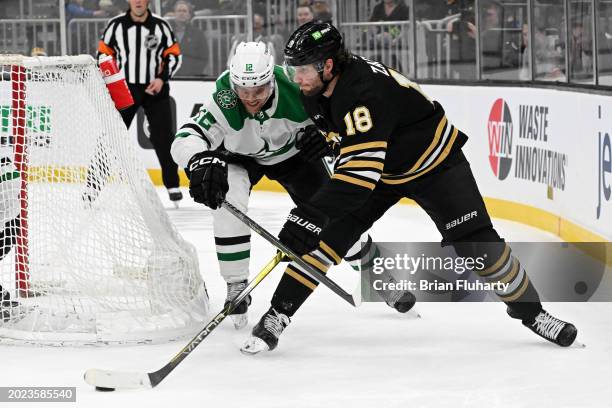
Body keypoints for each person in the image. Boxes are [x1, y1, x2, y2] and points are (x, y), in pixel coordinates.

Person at [241, 21, 579, 354]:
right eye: (293, 68)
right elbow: (352, 141)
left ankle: (533, 313)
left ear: (327, 65)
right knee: (326, 239)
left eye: (302, 69)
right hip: (385, 170)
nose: (296, 77)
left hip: (435, 166)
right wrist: (328, 143)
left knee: (480, 247)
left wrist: (310, 212)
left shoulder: (361, 93)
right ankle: (277, 315)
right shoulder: (315, 89)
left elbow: (359, 178)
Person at [171, 42, 414, 329]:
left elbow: (344, 125)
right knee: (228, 200)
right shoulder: (224, 98)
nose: (250, 98)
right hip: (239, 157)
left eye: (259, 90)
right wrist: (200, 159)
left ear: (272, 79)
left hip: (294, 157)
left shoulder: (297, 88)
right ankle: (236, 285)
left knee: (333, 215)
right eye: (243, 91)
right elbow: (186, 137)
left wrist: (327, 139)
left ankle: (376, 276)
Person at [95, 0, 183, 205]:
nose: (138, 1)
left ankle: (172, 184)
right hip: (125, 89)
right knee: (112, 134)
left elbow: (173, 55)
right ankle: (93, 186)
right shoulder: (115, 25)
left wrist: (162, 78)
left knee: (163, 136)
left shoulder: (161, 25)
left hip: (156, 88)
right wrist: (113, 82)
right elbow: (103, 55)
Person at [0, 155, 22, 322]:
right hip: (11, 226)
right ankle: (4, 300)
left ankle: (3, 301)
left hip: (6, 228)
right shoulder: (6, 161)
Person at [170, 0, 208, 76]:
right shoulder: (167, 33)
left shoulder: (198, 34)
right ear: (174, 14)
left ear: (189, 15)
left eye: (184, 11)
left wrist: (192, 74)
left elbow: (204, 58)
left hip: (191, 77)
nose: (181, 13)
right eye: (179, 11)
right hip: (171, 76)